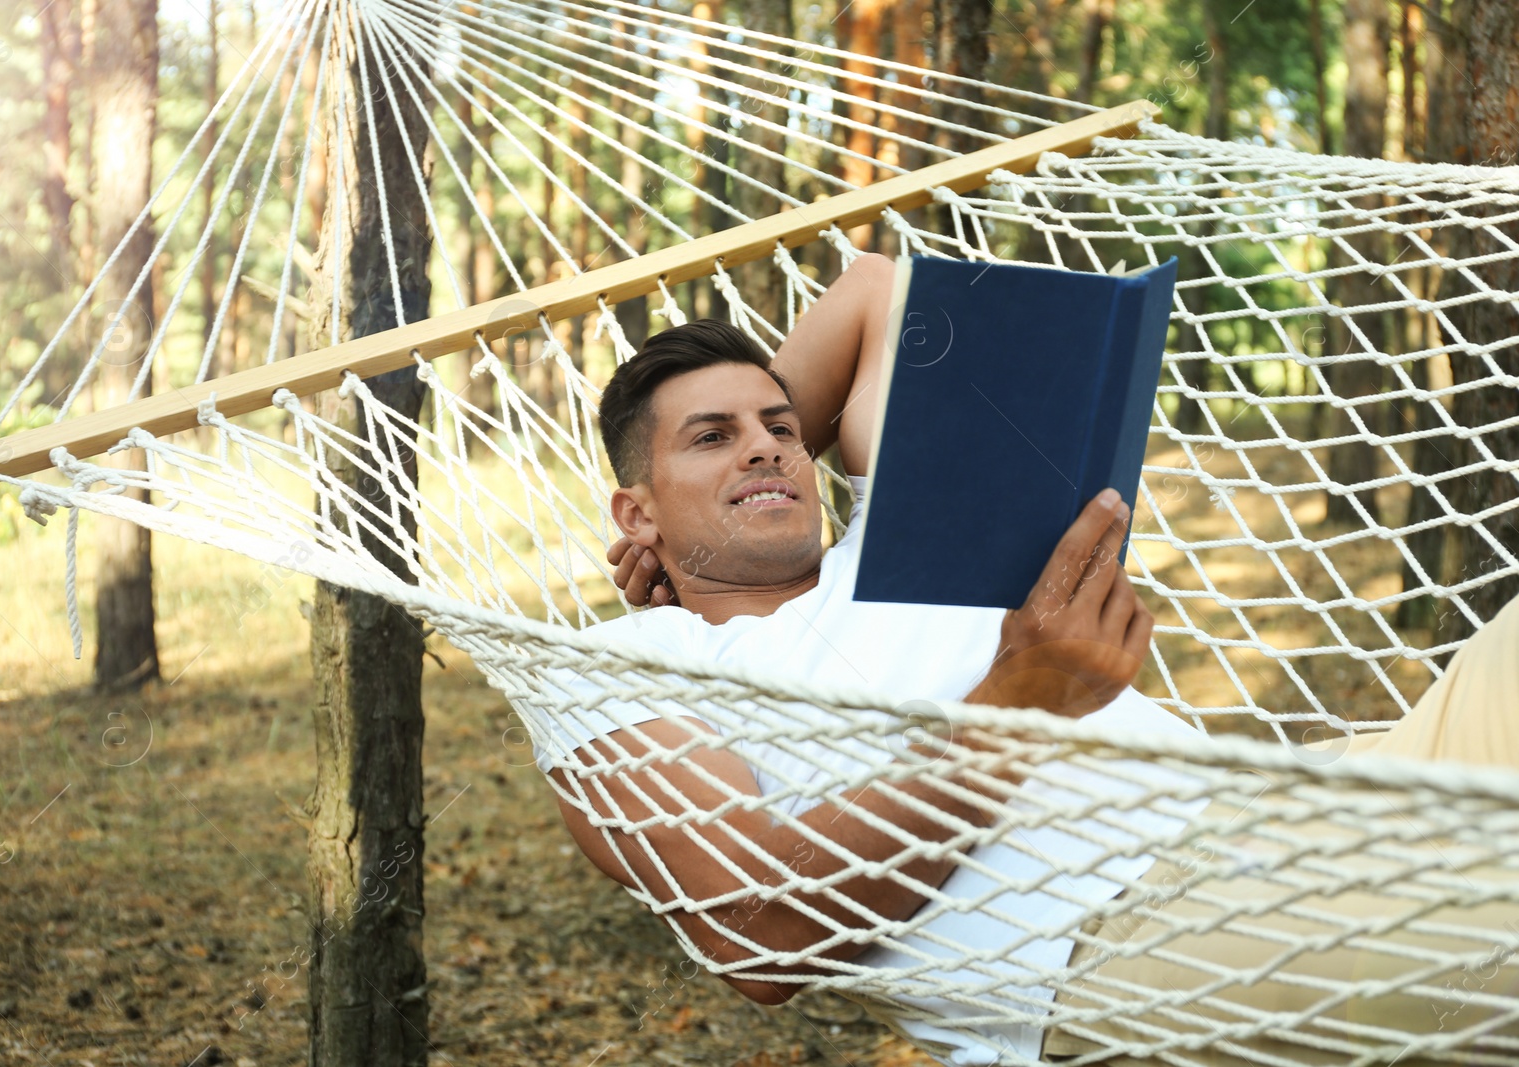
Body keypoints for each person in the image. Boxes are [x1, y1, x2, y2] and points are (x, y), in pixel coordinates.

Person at [533, 253, 1519, 1066]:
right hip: (1131, 947)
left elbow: (882, 292)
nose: (765, 450)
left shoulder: (905, 537)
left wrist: (724, 473)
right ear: (633, 510)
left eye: (781, 429)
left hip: (1292, 804)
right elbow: (754, 927)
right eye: (712, 437)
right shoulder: (620, 663)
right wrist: (1020, 703)